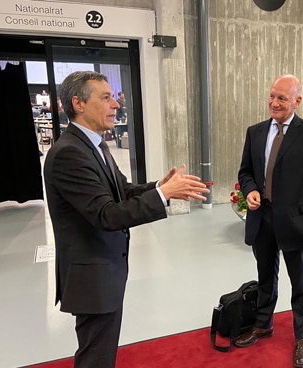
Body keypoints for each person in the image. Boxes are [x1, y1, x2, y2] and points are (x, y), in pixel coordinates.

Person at [43, 71, 209, 368]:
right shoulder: (69, 153)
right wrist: (162, 195)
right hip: (91, 275)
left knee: (101, 351)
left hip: (103, 269)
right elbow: (107, 214)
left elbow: (122, 191)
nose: (115, 104)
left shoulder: (94, 145)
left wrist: (161, 187)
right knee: (96, 356)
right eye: (105, 98)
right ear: (78, 103)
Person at [236, 74, 303, 368]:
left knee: (300, 283)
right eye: (272, 96)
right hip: (261, 218)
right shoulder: (255, 132)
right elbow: (245, 171)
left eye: (282, 98)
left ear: (297, 101)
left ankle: (302, 337)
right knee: (266, 276)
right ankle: (263, 324)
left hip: (295, 222)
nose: (274, 103)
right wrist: (251, 190)